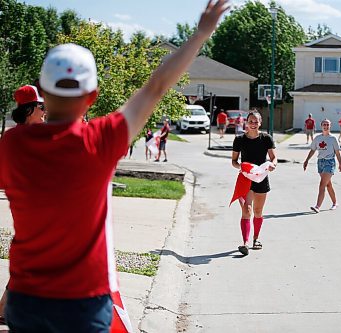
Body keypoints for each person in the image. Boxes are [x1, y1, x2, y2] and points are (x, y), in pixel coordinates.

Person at [0, 1, 228, 331]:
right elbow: (157, 85)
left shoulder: (12, 145)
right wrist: (202, 32)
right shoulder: (101, 139)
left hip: (26, 299)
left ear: (42, 95)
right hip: (84, 303)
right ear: (91, 96)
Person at [0, 84, 46, 325]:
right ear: (29, 110)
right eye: (41, 107)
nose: (45, 111)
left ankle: (5, 308)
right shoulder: (15, 138)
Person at [232, 111, 277, 256]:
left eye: (256, 121)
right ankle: (244, 243)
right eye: (250, 121)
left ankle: (256, 239)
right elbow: (234, 161)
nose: (253, 124)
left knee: (258, 211)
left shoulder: (266, 138)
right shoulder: (239, 140)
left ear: (260, 122)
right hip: (245, 178)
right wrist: (241, 167)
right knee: (247, 210)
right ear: (246, 122)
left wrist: (272, 165)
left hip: (261, 178)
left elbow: (273, 157)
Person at [303, 119, 341, 213]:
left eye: (327, 125)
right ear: (321, 126)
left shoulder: (333, 139)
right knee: (328, 184)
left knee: (322, 184)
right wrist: (306, 161)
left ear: (330, 126)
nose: (326, 126)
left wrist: (340, 164)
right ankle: (335, 203)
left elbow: (337, 152)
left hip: (329, 163)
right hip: (320, 162)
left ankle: (317, 206)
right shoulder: (317, 138)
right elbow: (313, 150)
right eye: (324, 125)